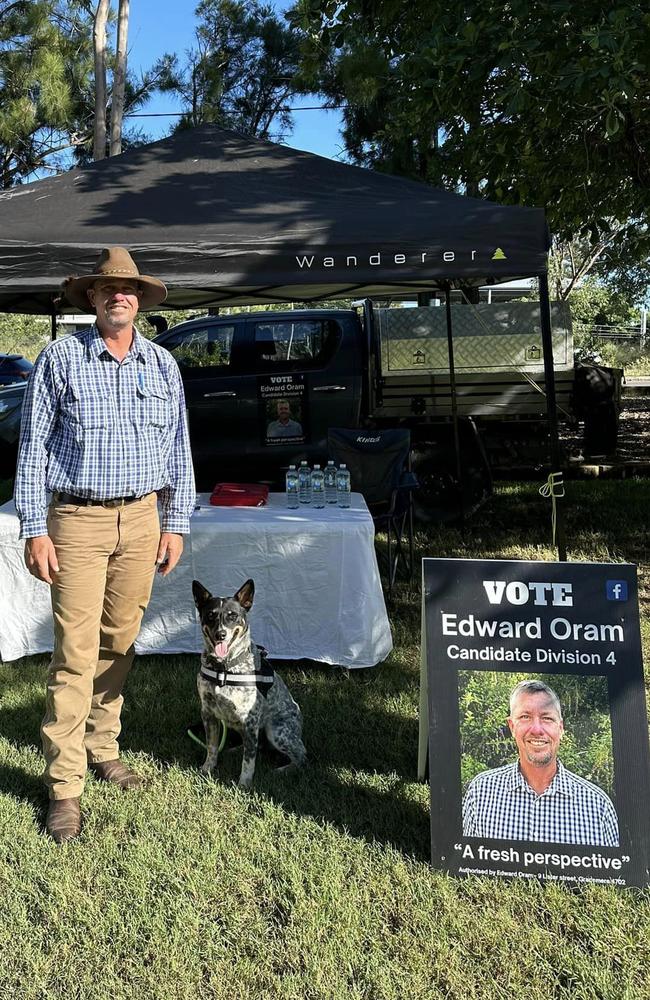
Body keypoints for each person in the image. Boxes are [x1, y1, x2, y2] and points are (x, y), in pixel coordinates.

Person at [14, 246, 196, 844]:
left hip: (143, 520)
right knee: (75, 650)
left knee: (120, 641)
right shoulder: (61, 358)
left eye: (130, 289)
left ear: (140, 301)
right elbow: (33, 445)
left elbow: (179, 450)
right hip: (78, 522)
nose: (120, 295)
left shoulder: (162, 365)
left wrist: (175, 523)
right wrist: (34, 528)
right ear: (91, 297)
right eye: (108, 288)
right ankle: (65, 787)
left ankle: (102, 745)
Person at [462, 679, 619, 846]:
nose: (537, 729)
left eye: (547, 718)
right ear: (512, 726)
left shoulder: (598, 806)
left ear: (560, 728)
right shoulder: (480, 792)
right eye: (525, 717)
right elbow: (462, 869)